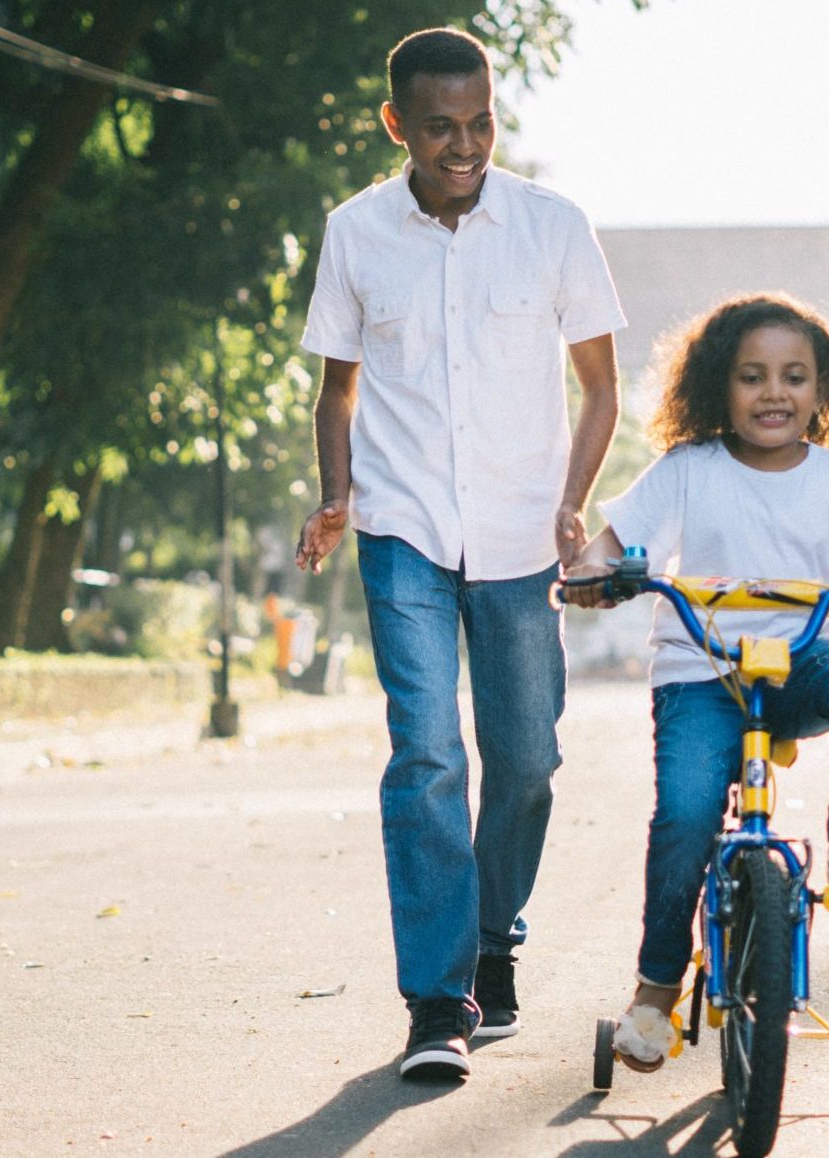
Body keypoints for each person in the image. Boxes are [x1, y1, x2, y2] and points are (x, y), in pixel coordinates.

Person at [292, 26, 626, 1081]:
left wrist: (573, 504)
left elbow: (601, 386)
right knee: (428, 753)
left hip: (523, 534)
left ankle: (494, 940)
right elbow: (337, 388)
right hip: (402, 531)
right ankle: (438, 1001)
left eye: (479, 122)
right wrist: (338, 496)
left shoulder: (552, 225)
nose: (465, 144)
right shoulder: (355, 232)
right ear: (398, 125)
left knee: (526, 761)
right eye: (440, 128)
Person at [562, 294, 829, 1072]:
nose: (774, 393)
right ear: (721, 386)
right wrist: (593, 570)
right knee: (685, 815)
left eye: (794, 377)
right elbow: (615, 543)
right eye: (752, 377)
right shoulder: (688, 470)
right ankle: (654, 992)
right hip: (701, 675)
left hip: (795, 668)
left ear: (822, 392)